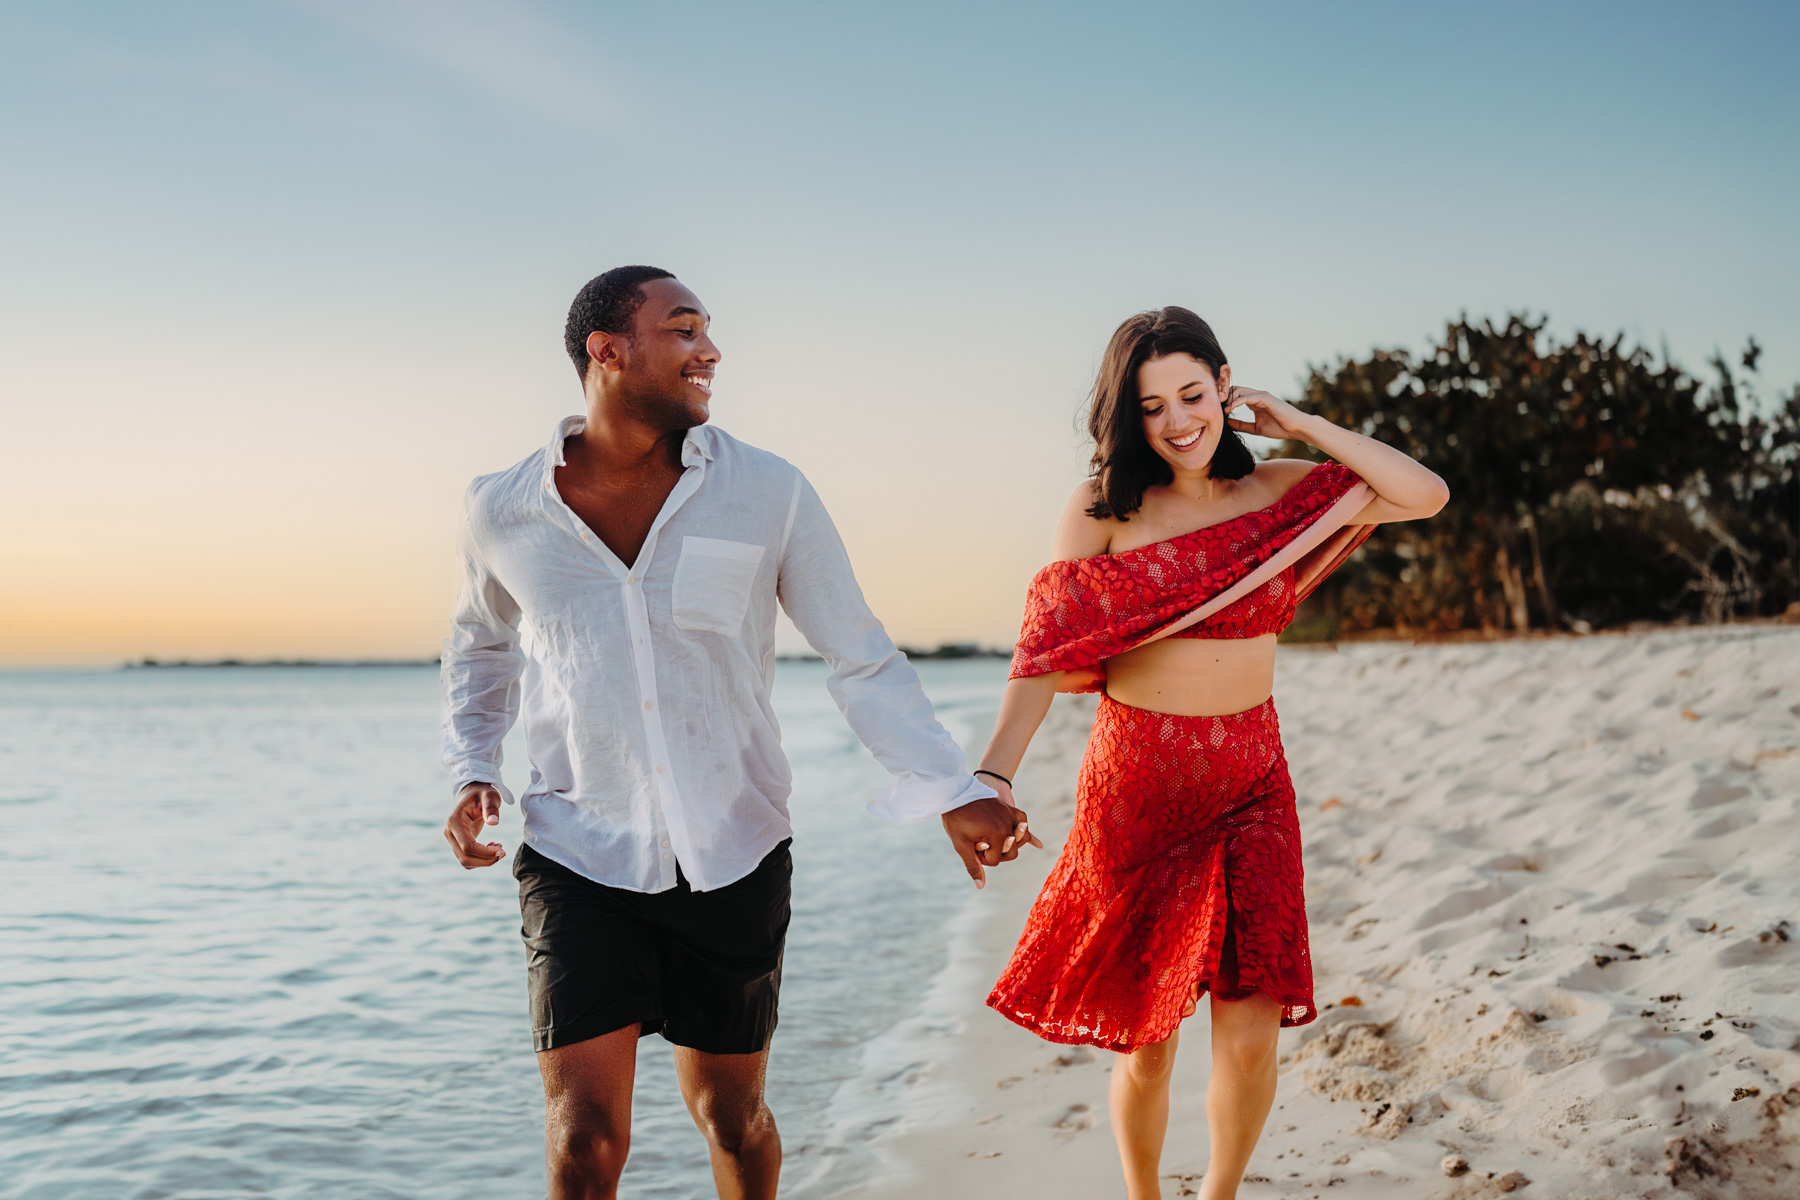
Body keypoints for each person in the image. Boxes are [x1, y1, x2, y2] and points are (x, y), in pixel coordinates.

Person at [438, 265, 1036, 1200]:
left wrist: (950, 787)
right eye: (683, 330)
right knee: (584, 1142)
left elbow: (859, 653)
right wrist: (474, 765)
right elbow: (480, 647)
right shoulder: (501, 508)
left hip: (736, 848)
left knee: (732, 1118)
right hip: (576, 852)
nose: (709, 350)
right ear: (608, 351)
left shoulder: (769, 491)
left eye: (707, 331)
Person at [974, 307, 1448, 1200]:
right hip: (1139, 788)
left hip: (1252, 780)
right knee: (1148, 1047)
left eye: (1193, 395)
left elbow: (1424, 493)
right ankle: (1145, 1195)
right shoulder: (1101, 506)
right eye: (1151, 407)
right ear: (1127, 415)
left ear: (1227, 386)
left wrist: (1303, 425)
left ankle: (1220, 1194)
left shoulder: (1282, 489)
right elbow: (1043, 654)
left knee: (1250, 1032)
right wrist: (995, 772)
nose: (1178, 421)